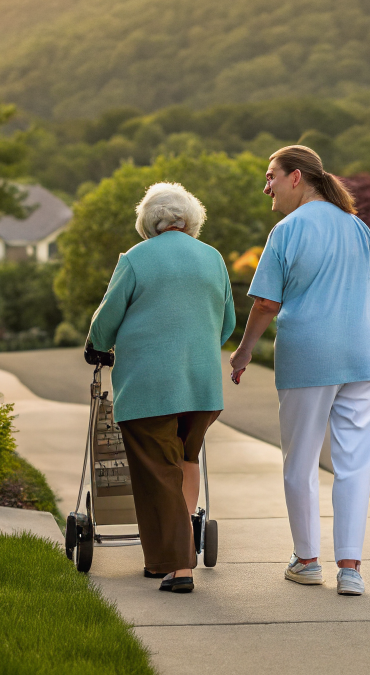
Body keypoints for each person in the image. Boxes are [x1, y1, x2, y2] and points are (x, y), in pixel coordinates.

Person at [230, 145, 370, 597]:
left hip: (310, 358)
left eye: (271, 177)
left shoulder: (287, 230)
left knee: (300, 463)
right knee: (355, 466)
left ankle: (306, 561)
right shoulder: (358, 227)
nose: (267, 187)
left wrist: (243, 352)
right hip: (365, 359)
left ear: (296, 177)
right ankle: (350, 570)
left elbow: (266, 303)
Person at [88, 182, 234, 594]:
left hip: (151, 387)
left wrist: (96, 346)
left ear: (148, 222)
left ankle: (179, 566)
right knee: (186, 462)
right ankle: (165, 559)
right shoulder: (213, 258)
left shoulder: (136, 258)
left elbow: (107, 317)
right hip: (202, 387)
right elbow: (225, 324)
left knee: (158, 473)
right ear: (191, 219)